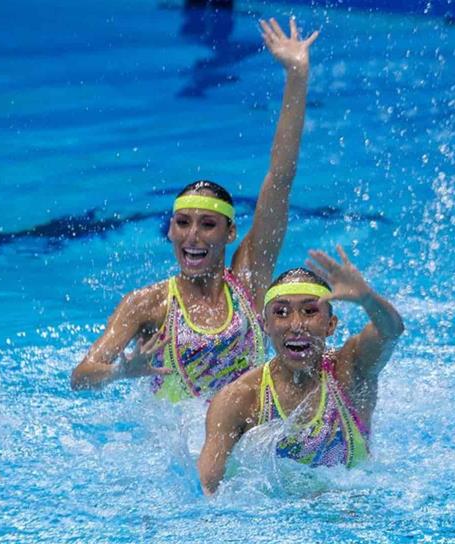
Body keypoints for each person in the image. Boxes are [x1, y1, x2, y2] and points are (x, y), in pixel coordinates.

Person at [71, 17, 320, 402]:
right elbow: (82, 376)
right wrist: (123, 370)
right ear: (169, 231)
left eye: (207, 225)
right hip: (176, 445)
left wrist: (296, 76)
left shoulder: (250, 279)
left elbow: (280, 178)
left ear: (230, 233)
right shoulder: (147, 304)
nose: (192, 236)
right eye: (182, 223)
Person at [197, 246, 405, 494]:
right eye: (281, 313)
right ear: (265, 325)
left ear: (330, 325)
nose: (296, 325)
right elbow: (208, 490)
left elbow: (391, 331)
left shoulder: (350, 372)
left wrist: (367, 299)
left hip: (352, 516)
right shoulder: (240, 400)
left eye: (309, 311)